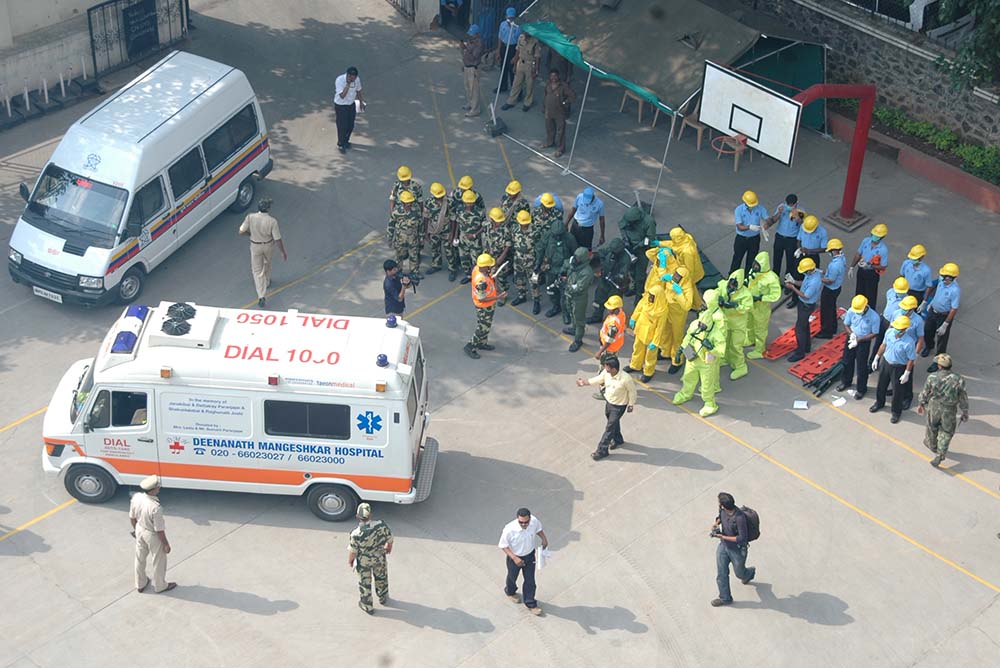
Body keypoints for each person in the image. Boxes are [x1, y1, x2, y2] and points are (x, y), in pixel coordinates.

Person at [673, 289, 727, 417]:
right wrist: (681, 350)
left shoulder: (716, 333)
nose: (700, 327)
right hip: (692, 356)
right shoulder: (695, 325)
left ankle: (710, 403)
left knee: (707, 384)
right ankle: (686, 393)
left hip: (707, 359)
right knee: (688, 376)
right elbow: (688, 337)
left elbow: (721, 351)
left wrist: (711, 348)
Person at [577, 357, 637, 459]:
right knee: (612, 422)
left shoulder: (626, 379)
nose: (605, 369)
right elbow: (598, 379)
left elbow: (632, 392)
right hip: (609, 402)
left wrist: (631, 404)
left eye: (607, 367)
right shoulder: (606, 373)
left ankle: (602, 451)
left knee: (609, 428)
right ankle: (618, 439)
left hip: (619, 406)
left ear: (614, 369)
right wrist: (585, 382)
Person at [918, 353, 969, 467]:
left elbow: (925, 392)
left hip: (934, 406)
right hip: (949, 409)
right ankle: (940, 454)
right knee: (946, 432)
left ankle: (932, 445)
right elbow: (963, 397)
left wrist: (921, 403)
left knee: (932, 426)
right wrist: (965, 411)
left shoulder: (932, 377)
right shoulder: (958, 379)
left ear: (940, 366)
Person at [130, 475, 176, 594]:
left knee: (139, 558)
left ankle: (140, 584)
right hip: (152, 535)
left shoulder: (137, 497)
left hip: (139, 528)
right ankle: (160, 585)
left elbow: (132, 517)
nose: (159, 488)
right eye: (157, 487)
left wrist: (136, 531)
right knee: (158, 561)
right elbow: (159, 530)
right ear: (153, 490)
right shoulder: (155, 507)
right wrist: (166, 544)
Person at [498, 508, 548, 615]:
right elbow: (503, 545)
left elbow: (538, 529)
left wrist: (544, 539)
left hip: (530, 556)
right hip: (514, 558)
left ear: (530, 518)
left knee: (530, 581)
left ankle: (531, 604)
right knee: (512, 577)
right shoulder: (509, 529)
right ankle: (510, 592)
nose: (524, 524)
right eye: (521, 522)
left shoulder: (534, 521)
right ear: (517, 519)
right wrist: (515, 558)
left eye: (526, 522)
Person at [238, 197, 286, 308]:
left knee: (257, 271)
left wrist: (250, 234)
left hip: (255, 245)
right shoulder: (272, 221)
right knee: (267, 263)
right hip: (268, 245)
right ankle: (267, 281)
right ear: (268, 208)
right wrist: (283, 252)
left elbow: (241, 231)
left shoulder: (250, 217)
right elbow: (277, 239)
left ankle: (261, 295)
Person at [710, 492, 756, 607]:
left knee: (739, 573)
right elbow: (720, 517)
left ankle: (749, 573)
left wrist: (722, 537)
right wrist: (716, 523)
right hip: (723, 547)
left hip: (737, 550)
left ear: (724, 505)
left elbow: (741, 538)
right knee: (722, 573)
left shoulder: (740, 518)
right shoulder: (722, 510)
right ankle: (725, 598)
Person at [348, 503, 394, 615]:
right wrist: (388, 547)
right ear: (371, 515)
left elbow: (353, 551)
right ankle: (383, 597)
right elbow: (390, 539)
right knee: (381, 578)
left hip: (364, 562)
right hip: (379, 558)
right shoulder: (381, 525)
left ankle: (367, 606)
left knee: (365, 583)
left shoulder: (356, 534)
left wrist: (350, 561)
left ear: (357, 517)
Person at [870, 315, 916, 424]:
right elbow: (883, 345)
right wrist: (876, 358)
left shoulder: (909, 342)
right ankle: (879, 403)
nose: (896, 330)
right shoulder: (889, 332)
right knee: (881, 385)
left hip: (899, 367)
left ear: (904, 329)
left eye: (899, 329)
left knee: (897, 391)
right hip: (886, 363)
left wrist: (906, 373)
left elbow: (911, 359)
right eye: (896, 327)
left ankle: (896, 412)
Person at [836, 295, 881, 400]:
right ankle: (846, 381)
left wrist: (859, 340)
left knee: (861, 366)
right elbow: (846, 324)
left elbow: (874, 333)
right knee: (847, 361)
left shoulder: (874, 317)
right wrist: (851, 334)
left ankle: (861, 389)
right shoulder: (852, 311)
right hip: (851, 339)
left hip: (863, 342)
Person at [465, 253, 507, 358]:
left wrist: (491, 276)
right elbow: (482, 298)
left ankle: (482, 343)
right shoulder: (481, 281)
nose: (491, 267)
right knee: (482, 328)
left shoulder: (477, 269)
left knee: (486, 326)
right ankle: (470, 346)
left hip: (488, 305)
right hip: (484, 307)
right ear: (484, 267)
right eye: (489, 266)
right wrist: (498, 297)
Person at [534, 216, 577, 318]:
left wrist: (573, 269)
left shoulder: (569, 238)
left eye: (560, 235)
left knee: (565, 292)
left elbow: (575, 254)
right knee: (551, 290)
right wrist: (538, 264)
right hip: (550, 269)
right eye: (555, 235)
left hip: (564, 270)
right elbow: (540, 249)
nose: (558, 237)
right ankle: (556, 306)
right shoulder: (547, 236)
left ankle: (566, 312)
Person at [921, 263, 961, 371]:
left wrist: (945, 324)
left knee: (942, 340)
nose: (942, 278)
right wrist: (926, 302)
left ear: (951, 278)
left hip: (943, 316)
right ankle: (929, 346)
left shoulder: (955, 290)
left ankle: (938, 361)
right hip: (933, 311)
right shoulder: (941, 282)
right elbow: (936, 293)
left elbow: (954, 309)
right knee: (927, 330)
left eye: (945, 277)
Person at [627, 285, 669, 382]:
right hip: (640, 330)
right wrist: (633, 318)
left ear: (658, 297)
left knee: (650, 356)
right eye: (649, 295)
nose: (649, 297)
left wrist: (655, 342)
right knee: (637, 349)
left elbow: (660, 327)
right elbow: (639, 309)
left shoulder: (662, 310)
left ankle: (648, 372)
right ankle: (635, 365)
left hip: (651, 335)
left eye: (652, 296)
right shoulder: (646, 301)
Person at [716, 267, 753, 380]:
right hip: (726, 321)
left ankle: (740, 366)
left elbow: (747, 307)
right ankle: (726, 358)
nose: (731, 287)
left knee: (736, 346)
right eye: (730, 284)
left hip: (738, 324)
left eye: (734, 285)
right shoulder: (723, 285)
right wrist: (719, 298)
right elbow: (717, 291)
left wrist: (735, 306)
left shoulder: (746, 294)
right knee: (726, 341)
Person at [656, 267, 694, 373]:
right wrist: (664, 277)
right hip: (667, 311)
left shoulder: (687, 289)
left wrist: (680, 294)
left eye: (678, 276)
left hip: (678, 316)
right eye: (675, 274)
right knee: (665, 333)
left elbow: (687, 306)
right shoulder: (672, 279)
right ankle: (665, 352)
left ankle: (677, 360)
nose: (675, 277)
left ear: (684, 278)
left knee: (677, 338)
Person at [745, 251, 781, 360]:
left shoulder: (772, 278)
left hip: (762, 308)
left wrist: (761, 298)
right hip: (750, 304)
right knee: (749, 323)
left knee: (760, 329)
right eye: (754, 264)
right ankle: (750, 339)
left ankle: (760, 350)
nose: (754, 266)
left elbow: (775, 295)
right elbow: (749, 281)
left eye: (757, 265)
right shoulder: (754, 272)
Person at [784, 258, 821, 363]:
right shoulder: (813, 274)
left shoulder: (814, 282)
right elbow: (804, 283)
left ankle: (800, 352)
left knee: (799, 329)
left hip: (806, 305)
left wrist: (793, 288)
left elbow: (805, 296)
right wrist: (794, 282)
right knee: (805, 325)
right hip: (805, 305)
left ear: (809, 270)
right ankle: (806, 346)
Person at [869, 276, 911, 367]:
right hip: (884, 320)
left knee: (888, 344)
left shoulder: (907, 300)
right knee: (878, 342)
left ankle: (886, 363)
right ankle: (872, 362)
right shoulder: (890, 292)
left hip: (896, 325)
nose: (900, 293)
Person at [893, 295, 926, 410]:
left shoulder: (918, 321)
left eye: (905, 309)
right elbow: (892, 329)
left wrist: (915, 354)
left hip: (909, 350)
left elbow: (920, 339)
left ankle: (907, 396)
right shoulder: (897, 314)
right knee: (895, 372)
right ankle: (896, 389)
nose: (903, 310)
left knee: (907, 374)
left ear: (912, 309)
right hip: (897, 347)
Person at [659, 226, 704, 309]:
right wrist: (660, 243)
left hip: (691, 273)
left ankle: (698, 305)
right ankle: (697, 304)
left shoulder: (687, 253)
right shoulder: (686, 239)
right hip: (689, 268)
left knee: (691, 288)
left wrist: (682, 278)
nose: (672, 240)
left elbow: (689, 269)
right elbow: (673, 244)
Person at [561, 247, 596, 352]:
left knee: (579, 318)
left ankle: (578, 340)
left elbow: (579, 288)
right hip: (569, 295)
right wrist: (563, 274)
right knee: (571, 313)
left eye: (578, 258)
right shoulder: (574, 264)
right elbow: (566, 265)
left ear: (583, 259)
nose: (575, 259)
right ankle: (574, 328)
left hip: (579, 298)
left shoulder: (586, 272)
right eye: (575, 257)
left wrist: (566, 285)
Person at [618, 205, 656, 298]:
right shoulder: (628, 217)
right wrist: (625, 239)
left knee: (640, 274)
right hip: (630, 247)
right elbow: (621, 226)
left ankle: (639, 293)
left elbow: (649, 238)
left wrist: (640, 245)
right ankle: (634, 287)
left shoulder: (649, 221)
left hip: (642, 250)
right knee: (632, 270)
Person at [790, 214, 827, 308]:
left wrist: (809, 250)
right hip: (802, 255)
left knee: (812, 278)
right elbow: (798, 240)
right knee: (797, 275)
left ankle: (809, 299)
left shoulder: (822, 232)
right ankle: (794, 299)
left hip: (813, 257)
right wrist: (799, 248)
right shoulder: (803, 227)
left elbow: (824, 248)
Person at [848, 223, 889, 310]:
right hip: (861, 271)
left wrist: (869, 265)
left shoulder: (883, 249)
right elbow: (858, 254)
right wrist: (852, 267)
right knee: (859, 293)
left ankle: (870, 313)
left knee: (870, 296)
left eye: (877, 236)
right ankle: (857, 309)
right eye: (873, 235)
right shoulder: (865, 241)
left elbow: (883, 266)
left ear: (882, 237)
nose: (874, 237)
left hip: (872, 274)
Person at [589, 238, 630, 323]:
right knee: (599, 299)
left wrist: (614, 277)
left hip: (615, 284)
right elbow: (601, 252)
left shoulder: (625, 258)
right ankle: (597, 316)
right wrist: (603, 265)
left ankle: (614, 321)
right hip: (604, 280)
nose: (613, 253)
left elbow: (623, 274)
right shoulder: (610, 250)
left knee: (614, 303)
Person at [764, 193, 802, 284]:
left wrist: (798, 217)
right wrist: (779, 213)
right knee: (776, 259)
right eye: (788, 204)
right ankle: (774, 280)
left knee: (790, 262)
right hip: (780, 237)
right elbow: (773, 220)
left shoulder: (801, 211)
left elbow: (804, 225)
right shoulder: (781, 207)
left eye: (791, 205)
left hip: (792, 239)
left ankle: (788, 282)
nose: (789, 207)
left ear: (796, 203)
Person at [502, 28, 541, 111]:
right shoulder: (521, 37)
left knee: (529, 85)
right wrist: (515, 64)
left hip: (530, 64)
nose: (526, 33)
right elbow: (518, 51)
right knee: (516, 83)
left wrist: (536, 70)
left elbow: (537, 56)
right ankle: (511, 101)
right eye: (525, 31)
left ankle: (527, 103)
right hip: (521, 63)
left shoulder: (535, 41)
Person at [730, 190, 767, 275]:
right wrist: (749, 227)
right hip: (741, 239)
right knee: (737, 259)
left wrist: (765, 226)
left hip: (754, 239)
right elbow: (739, 226)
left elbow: (767, 219)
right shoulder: (739, 210)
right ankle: (732, 277)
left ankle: (748, 278)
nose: (752, 206)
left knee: (751, 260)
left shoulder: (760, 208)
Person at [423, 182, 455, 277]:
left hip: (446, 230)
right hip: (434, 230)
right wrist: (426, 232)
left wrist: (452, 233)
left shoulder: (449, 202)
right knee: (435, 249)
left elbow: (453, 218)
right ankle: (436, 265)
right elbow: (426, 217)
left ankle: (452, 269)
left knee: (449, 251)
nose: (439, 198)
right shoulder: (429, 202)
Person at [542, 69, 576, 157]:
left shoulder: (563, 86)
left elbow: (572, 96)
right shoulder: (548, 84)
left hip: (559, 112)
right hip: (549, 111)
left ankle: (560, 149)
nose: (553, 78)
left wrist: (565, 102)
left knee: (560, 131)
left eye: (555, 76)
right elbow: (545, 95)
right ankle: (550, 142)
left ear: (558, 76)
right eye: (551, 76)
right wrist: (544, 107)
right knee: (549, 128)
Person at [389, 191, 423, 275]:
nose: (409, 204)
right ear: (403, 202)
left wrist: (421, 237)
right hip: (400, 238)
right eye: (407, 202)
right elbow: (391, 225)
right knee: (399, 256)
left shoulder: (416, 211)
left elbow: (420, 224)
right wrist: (390, 238)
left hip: (413, 237)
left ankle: (414, 272)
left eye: (410, 202)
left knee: (414, 255)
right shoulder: (396, 212)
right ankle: (399, 271)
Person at [817, 238, 846, 338]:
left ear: (833, 250)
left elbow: (830, 280)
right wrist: (823, 272)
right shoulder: (842, 258)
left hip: (830, 289)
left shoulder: (835, 265)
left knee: (826, 311)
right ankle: (833, 327)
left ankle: (826, 332)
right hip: (837, 288)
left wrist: (819, 279)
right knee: (832, 308)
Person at [510, 210, 538, 310]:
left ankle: (536, 300)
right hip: (518, 259)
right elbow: (513, 241)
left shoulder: (535, 230)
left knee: (534, 281)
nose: (524, 225)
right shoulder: (514, 229)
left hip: (531, 260)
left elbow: (539, 246)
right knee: (519, 279)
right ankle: (522, 296)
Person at [455, 189, 484, 283]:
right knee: (464, 258)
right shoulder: (459, 210)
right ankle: (468, 275)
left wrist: (475, 235)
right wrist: (455, 237)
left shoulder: (479, 212)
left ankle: (478, 277)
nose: (469, 205)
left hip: (475, 240)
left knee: (476, 260)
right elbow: (457, 223)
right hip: (463, 238)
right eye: (467, 202)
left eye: (471, 202)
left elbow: (484, 226)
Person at [483, 207, 513, 296]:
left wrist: (501, 258)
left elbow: (507, 245)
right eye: (497, 221)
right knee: (490, 275)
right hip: (489, 256)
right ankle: (493, 290)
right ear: (492, 219)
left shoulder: (505, 230)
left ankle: (503, 295)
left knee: (501, 278)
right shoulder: (487, 226)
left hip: (500, 257)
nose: (499, 223)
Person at [333, 66, 364, 153]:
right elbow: (342, 96)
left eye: (355, 77)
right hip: (341, 105)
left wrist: (361, 102)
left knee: (350, 125)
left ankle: (346, 140)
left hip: (351, 104)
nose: (354, 79)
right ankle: (341, 144)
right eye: (352, 78)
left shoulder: (357, 80)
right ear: (348, 75)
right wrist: (348, 84)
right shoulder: (339, 80)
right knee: (342, 126)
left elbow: (359, 91)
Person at [460, 25, 484, 117]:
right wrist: (464, 48)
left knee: (474, 89)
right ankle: (470, 103)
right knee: (467, 87)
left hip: (473, 68)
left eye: (472, 34)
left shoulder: (479, 44)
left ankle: (475, 109)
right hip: (467, 67)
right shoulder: (471, 41)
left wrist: (466, 48)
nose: (470, 36)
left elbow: (474, 56)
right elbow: (466, 53)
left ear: (477, 34)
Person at [495, 7, 520, 93]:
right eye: (509, 18)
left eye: (512, 18)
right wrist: (498, 51)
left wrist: (516, 56)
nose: (510, 20)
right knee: (503, 68)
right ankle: (503, 86)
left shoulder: (518, 27)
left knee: (512, 69)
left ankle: (515, 91)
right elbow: (500, 37)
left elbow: (519, 43)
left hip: (513, 48)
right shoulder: (502, 24)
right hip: (504, 47)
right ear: (506, 17)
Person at [594, 295, 626, 362]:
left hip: (609, 349)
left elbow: (609, 340)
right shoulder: (621, 313)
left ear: (616, 310)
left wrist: (600, 352)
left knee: (606, 364)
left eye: (610, 309)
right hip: (616, 345)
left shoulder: (613, 324)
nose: (608, 310)